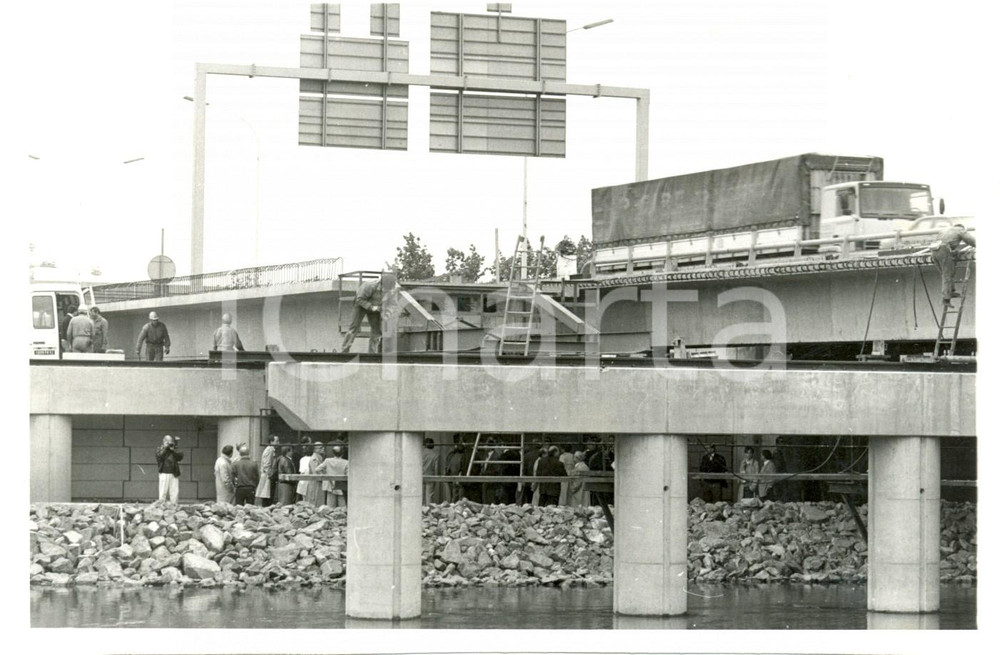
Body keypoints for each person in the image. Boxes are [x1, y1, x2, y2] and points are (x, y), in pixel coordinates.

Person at [340, 273, 399, 354]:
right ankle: (345, 350)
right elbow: (359, 299)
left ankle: (372, 353)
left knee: (376, 330)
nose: (386, 291)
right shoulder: (370, 285)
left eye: (388, 289)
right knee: (354, 327)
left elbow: (393, 304)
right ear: (381, 284)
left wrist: (388, 313)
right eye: (384, 289)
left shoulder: (394, 289)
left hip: (377, 307)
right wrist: (371, 307)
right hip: (360, 305)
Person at [931, 223, 976, 306]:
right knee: (947, 274)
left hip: (934, 252)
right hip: (943, 250)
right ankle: (946, 299)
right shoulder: (960, 230)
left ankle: (951, 291)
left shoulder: (944, 230)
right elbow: (971, 240)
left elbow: (944, 242)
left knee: (946, 273)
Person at [155, 434, 183, 503]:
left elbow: (180, 457)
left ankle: (174, 507)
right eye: (167, 441)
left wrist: (173, 450)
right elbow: (159, 456)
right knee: (162, 493)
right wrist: (165, 448)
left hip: (174, 473)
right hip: (164, 473)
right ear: (163, 441)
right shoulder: (159, 449)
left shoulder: (173, 449)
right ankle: (161, 508)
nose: (169, 443)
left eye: (170, 441)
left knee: (174, 493)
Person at [255, 435, 278, 506]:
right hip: (268, 477)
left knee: (267, 496)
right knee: (267, 496)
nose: (278, 443)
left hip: (268, 476)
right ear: (271, 442)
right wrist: (270, 475)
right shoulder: (269, 450)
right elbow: (267, 465)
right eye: (276, 441)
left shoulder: (270, 450)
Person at [444, 436, 466, 502]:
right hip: (458, 477)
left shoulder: (451, 455)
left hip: (452, 476)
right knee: (459, 496)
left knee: (453, 495)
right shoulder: (462, 456)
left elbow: (447, 466)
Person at [422, 437, 439, 505]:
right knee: (429, 496)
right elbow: (436, 468)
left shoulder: (420, 453)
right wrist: (436, 478)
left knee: (421, 496)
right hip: (430, 476)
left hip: (420, 476)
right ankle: (428, 512)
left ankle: (421, 513)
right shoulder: (436, 455)